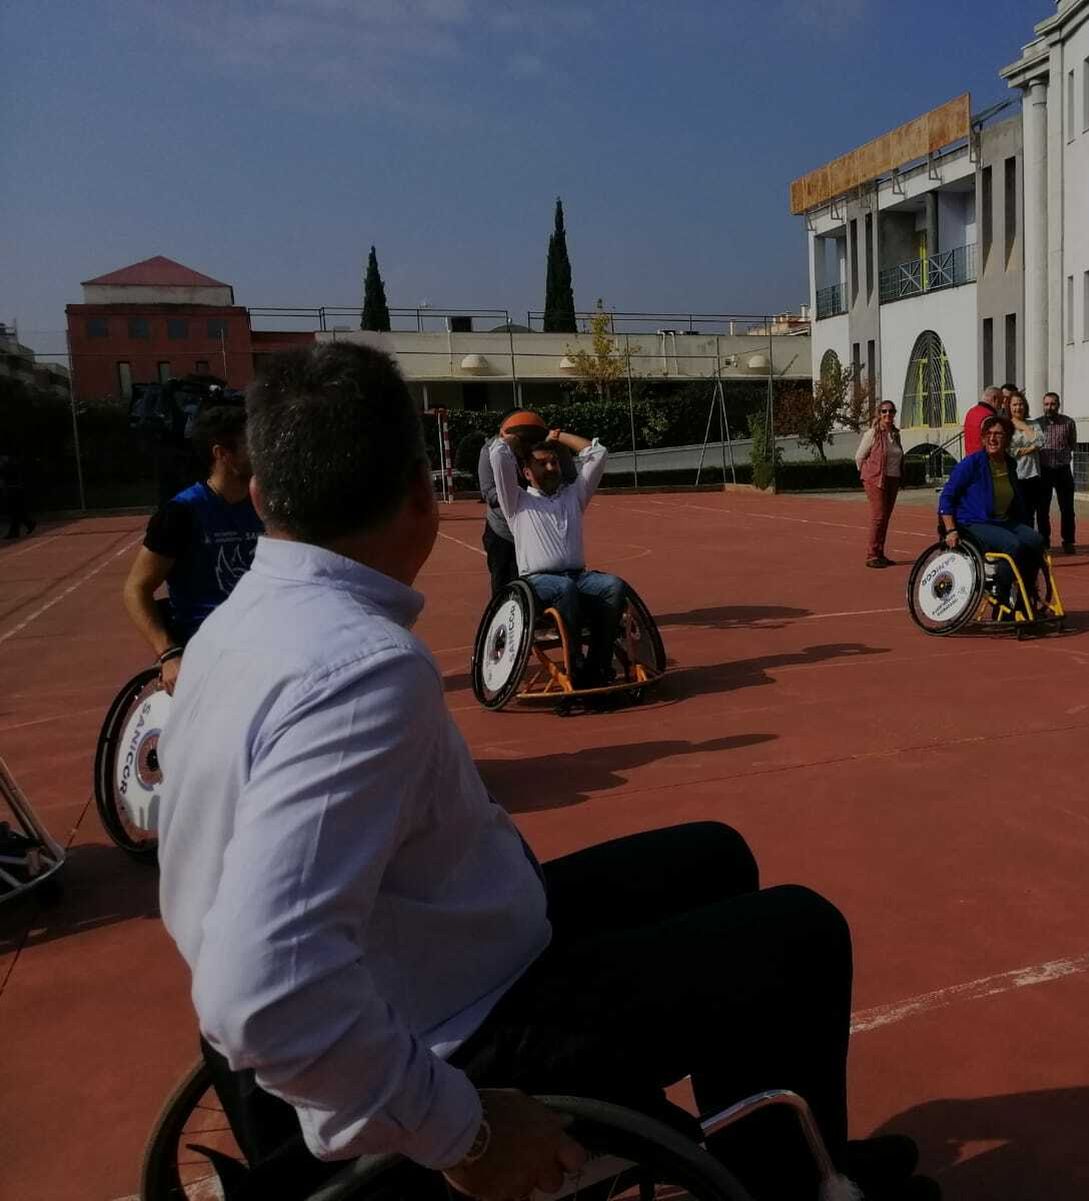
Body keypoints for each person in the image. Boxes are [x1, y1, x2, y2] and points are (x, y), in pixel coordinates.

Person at [156, 342, 935, 1201]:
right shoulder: (358, 669)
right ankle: (791, 1188)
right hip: (459, 1022)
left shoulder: (228, 630)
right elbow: (261, 987)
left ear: (264, 497)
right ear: (422, 496)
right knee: (801, 932)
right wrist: (466, 1131)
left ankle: (776, 1149)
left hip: (428, 954)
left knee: (715, 853)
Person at [122, 402, 263, 693]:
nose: (262, 451)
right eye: (252, 443)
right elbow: (136, 589)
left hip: (261, 642)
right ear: (222, 454)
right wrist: (169, 654)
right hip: (208, 650)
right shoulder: (182, 513)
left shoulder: (265, 505)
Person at [488, 422, 632, 689]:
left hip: (578, 578)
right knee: (564, 588)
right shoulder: (516, 501)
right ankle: (575, 665)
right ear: (527, 472)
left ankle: (597, 665)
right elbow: (498, 455)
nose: (552, 468)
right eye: (543, 464)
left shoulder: (574, 496)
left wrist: (557, 436)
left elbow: (597, 454)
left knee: (614, 586)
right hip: (537, 584)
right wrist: (512, 439)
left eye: (555, 462)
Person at [938, 414, 1046, 604]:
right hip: (973, 522)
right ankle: (1002, 596)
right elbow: (947, 496)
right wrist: (951, 530)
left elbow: (1016, 501)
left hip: (1002, 521)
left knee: (1036, 540)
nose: (993, 438)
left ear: (1007, 438)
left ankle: (1026, 593)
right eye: (988, 434)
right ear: (983, 438)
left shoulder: (1010, 463)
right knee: (1013, 545)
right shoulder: (972, 463)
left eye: (998, 434)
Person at [478, 409, 544, 596]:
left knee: (533, 582)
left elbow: (563, 479)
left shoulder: (536, 450)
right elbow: (488, 492)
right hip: (502, 531)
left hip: (532, 528)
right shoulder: (489, 450)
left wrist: (555, 438)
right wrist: (515, 496)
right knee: (503, 584)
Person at [855, 398, 903, 569]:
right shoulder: (873, 434)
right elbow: (859, 457)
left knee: (885, 518)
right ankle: (872, 554)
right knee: (879, 516)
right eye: (884, 411)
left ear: (894, 414)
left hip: (893, 479)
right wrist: (867, 474)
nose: (887, 414)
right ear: (879, 414)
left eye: (891, 411)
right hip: (875, 479)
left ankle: (880, 553)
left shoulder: (895, 434)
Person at [1037, 391, 1076, 554]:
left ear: (1058, 405)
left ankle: (1068, 541)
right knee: (1042, 508)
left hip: (1063, 470)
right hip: (1044, 471)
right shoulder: (1037, 424)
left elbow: (1072, 443)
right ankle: (1044, 541)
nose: (1049, 407)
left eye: (1053, 404)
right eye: (1046, 404)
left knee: (1067, 508)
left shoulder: (1068, 422)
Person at [1007, 392, 1046, 538]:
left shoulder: (1033, 423)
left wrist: (1024, 427)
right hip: (1015, 475)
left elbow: (1041, 441)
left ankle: (1029, 542)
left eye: (1021, 404)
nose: (1018, 407)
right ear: (1009, 407)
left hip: (1033, 475)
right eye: (1015, 404)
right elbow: (1009, 450)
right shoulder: (1007, 425)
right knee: (1015, 511)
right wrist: (1029, 448)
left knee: (1030, 512)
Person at [1, 449, 35, 540]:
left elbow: (7, 478)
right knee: (17, 511)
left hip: (14, 490)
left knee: (14, 511)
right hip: (15, 489)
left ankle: (25, 525)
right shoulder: (12, 465)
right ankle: (27, 525)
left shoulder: (9, 466)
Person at [962, 385, 1005, 456]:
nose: (1001, 407)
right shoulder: (989, 417)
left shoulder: (971, 412)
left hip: (970, 458)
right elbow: (993, 443)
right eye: (1000, 402)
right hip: (984, 460)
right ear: (995, 399)